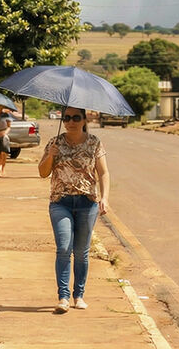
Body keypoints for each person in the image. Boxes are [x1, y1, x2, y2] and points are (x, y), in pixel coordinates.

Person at [38, 107, 110, 314]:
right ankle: (63, 297)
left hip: (87, 203)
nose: (70, 122)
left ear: (83, 119)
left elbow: (103, 173)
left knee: (81, 252)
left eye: (75, 118)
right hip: (61, 202)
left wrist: (104, 198)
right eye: (66, 118)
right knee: (63, 248)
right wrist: (50, 156)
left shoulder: (94, 142)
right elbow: (43, 173)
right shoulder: (55, 143)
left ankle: (79, 295)